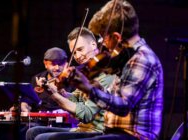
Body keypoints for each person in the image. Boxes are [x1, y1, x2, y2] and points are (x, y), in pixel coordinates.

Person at [62, 0, 163, 140]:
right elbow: (116, 97)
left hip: (134, 136)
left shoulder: (141, 60)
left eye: (104, 38)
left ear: (116, 37)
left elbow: (123, 107)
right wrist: (97, 87)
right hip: (114, 134)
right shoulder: (125, 58)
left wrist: (89, 90)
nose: (103, 44)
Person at [26, 27, 118, 140]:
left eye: (80, 49)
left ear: (94, 45)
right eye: (74, 53)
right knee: (33, 132)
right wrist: (61, 93)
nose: (77, 56)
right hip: (82, 129)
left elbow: (86, 114)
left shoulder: (105, 73)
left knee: (42, 138)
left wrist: (55, 96)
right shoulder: (87, 72)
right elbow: (77, 98)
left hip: (98, 131)